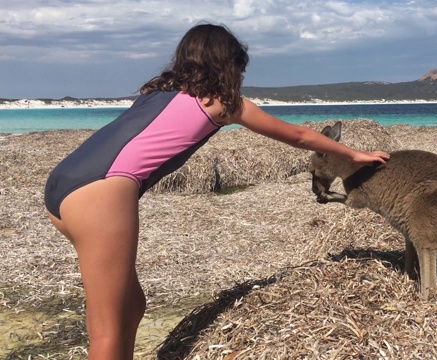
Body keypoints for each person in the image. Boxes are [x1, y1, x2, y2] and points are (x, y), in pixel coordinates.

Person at [44, 23, 390, 359]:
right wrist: (355, 154)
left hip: (63, 185)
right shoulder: (223, 103)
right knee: (108, 331)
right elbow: (298, 136)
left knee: (131, 307)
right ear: (229, 64)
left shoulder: (156, 93)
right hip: (102, 194)